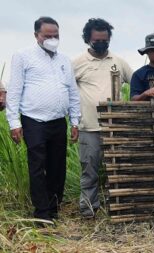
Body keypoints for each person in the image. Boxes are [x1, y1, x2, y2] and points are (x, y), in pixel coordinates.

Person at [6, 17, 81, 222]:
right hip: (33, 120)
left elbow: (72, 92)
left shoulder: (64, 60)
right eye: (47, 36)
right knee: (37, 166)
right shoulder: (23, 56)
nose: (52, 39)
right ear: (36, 35)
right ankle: (42, 214)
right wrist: (14, 123)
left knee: (58, 166)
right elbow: (14, 91)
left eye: (55, 35)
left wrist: (75, 121)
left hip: (58, 121)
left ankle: (54, 209)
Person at [73, 18, 133, 218]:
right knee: (89, 170)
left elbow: (136, 83)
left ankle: (118, 208)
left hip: (115, 127)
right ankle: (88, 211)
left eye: (104, 40)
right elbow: (67, 91)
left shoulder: (118, 61)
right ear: (88, 39)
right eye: (96, 40)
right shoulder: (78, 63)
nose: (101, 43)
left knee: (118, 169)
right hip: (89, 127)